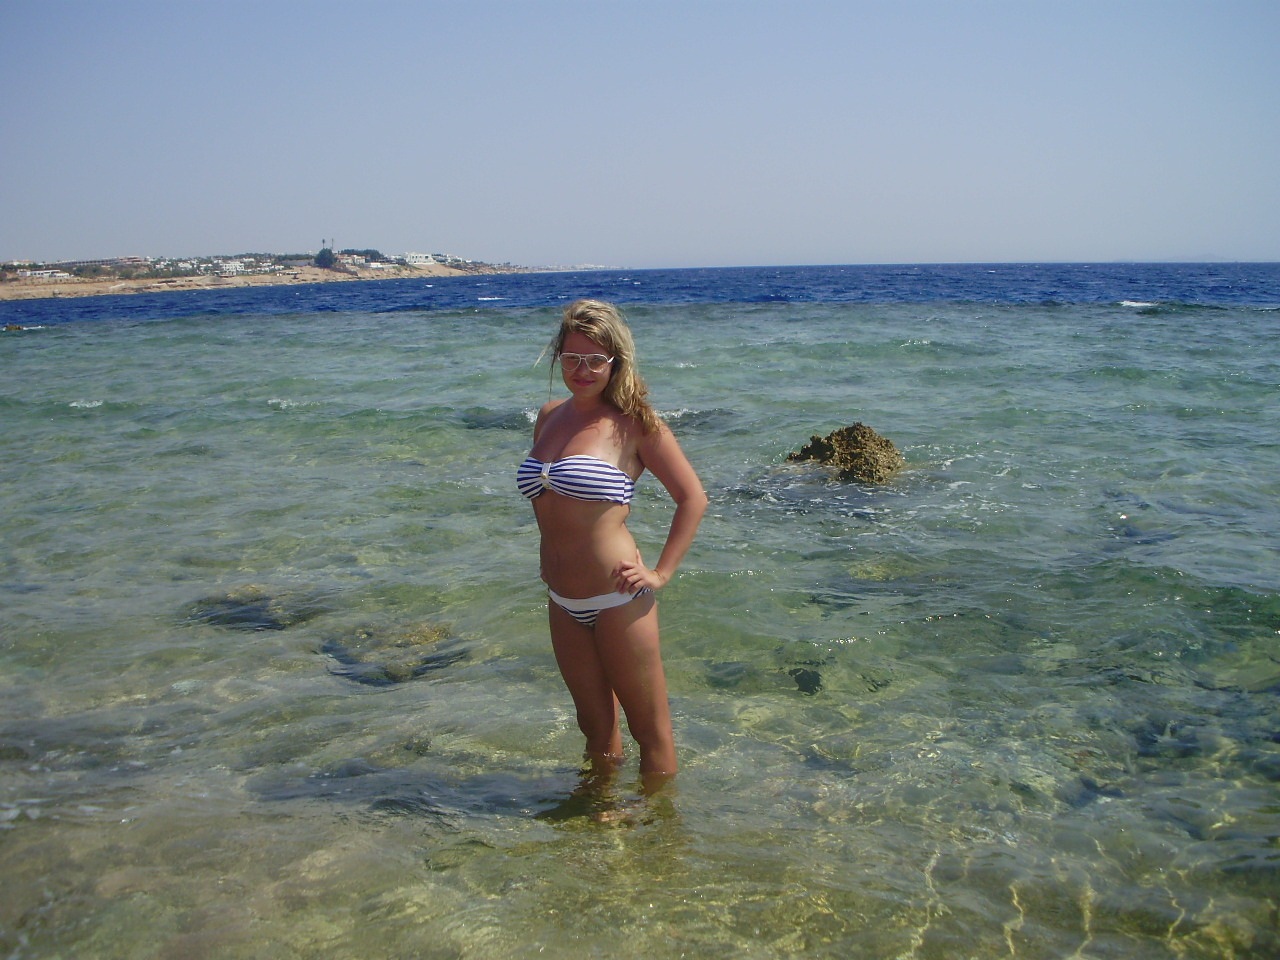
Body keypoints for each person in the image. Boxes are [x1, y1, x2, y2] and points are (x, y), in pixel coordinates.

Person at [518, 299, 706, 789]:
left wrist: (660, 573)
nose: (582, 370)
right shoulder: (549, 417)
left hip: (617, 597)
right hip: (562, 599)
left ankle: (661, 826)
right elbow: (547, 500)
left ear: (615, 362)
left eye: (595, 360)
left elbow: (692, 498)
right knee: (594, 728)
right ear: (558, 357)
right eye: (572, 358)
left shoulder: (634, 423)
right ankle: (599, 814)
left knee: (650, 731)